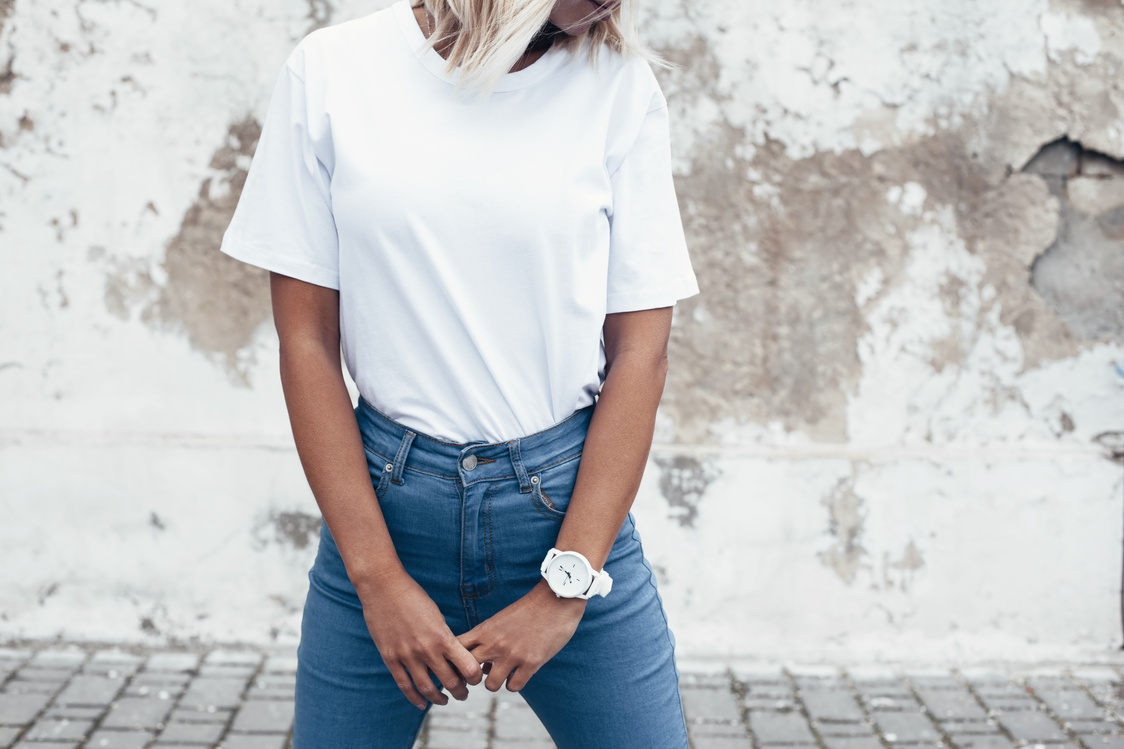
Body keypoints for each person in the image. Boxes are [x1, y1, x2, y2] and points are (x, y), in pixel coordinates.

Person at [220, 0, 699, 745]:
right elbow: (305, 341)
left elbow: (642, 353)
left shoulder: (617, 87)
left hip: (566, 516)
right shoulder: (332, 72)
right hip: (384, 514)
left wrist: (566, 586)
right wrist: (376, 580)